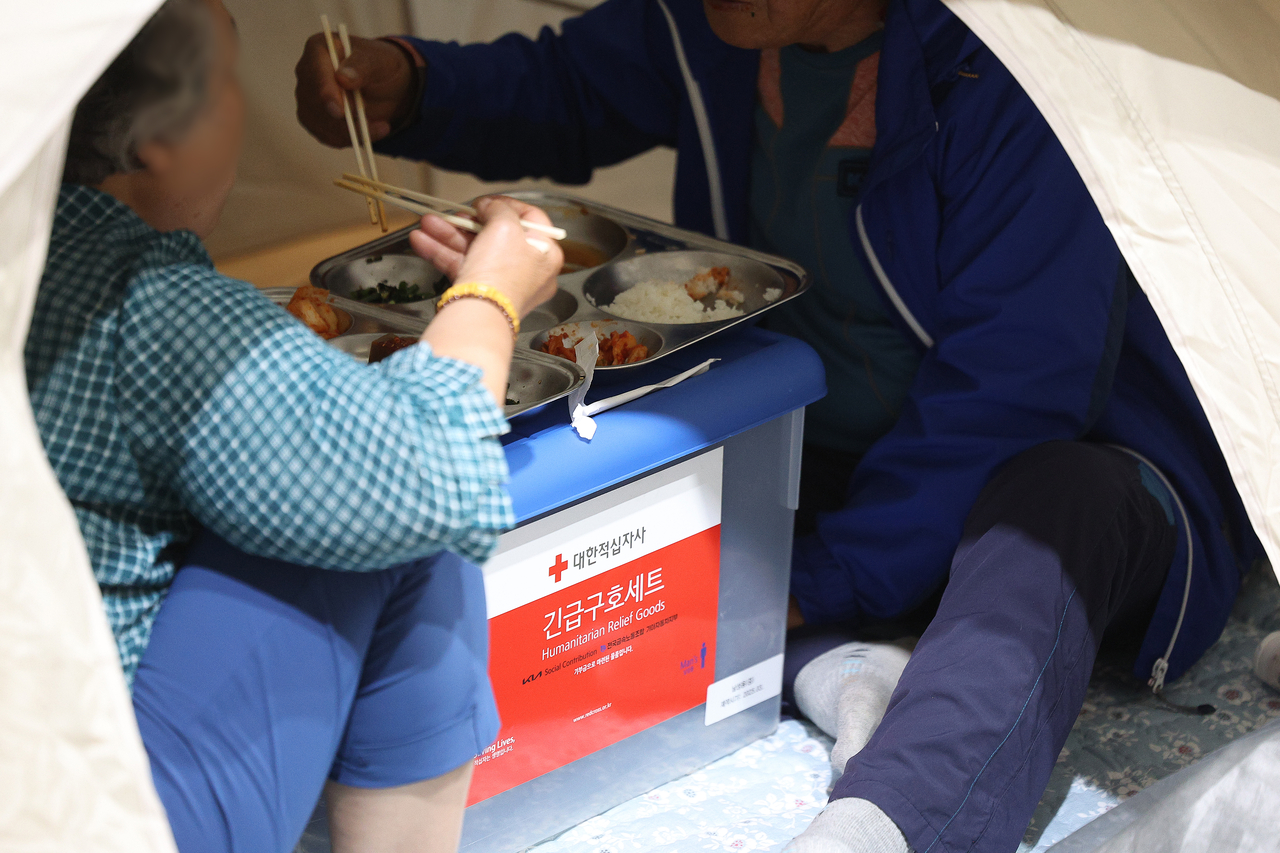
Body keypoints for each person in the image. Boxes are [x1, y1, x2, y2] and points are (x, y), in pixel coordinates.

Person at [291, 1, 1262, 851]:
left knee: (1047, 517)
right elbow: (571, 78)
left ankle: (884, 824)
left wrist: (818, 579)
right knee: (634, 506)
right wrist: (412, 87)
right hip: (817, 448)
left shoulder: (1011, 77)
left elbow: (1015, 391)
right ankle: (849, 666)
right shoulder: (716, 22)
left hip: (1066, 461)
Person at [24, 1, 564, 851]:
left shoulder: (38, 251)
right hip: (71, 804)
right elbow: (419, 475)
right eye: (229, 84)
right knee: (398, 515)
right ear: (164, 137)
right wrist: (491, 293)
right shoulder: (153, 306)